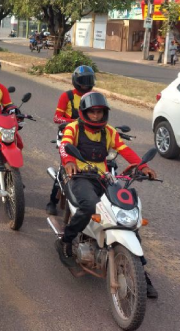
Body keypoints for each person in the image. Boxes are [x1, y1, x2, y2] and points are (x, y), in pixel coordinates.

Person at [55, 91, 159, 298]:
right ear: (84, 112)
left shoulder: (109, 131)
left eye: (99, 112)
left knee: (125, 215)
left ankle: (140, 271)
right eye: (92, 112)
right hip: (80, 176)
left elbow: (124, 150)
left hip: (103, 177)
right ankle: (65, 241)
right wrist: (69, 162)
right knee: (90, 205)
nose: (96, 115)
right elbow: (65, 147)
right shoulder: (73, 127)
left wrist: (142, 166)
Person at [46, 65, 96, 214]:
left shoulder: (94, 96)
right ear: (76, 81)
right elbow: (57, 118)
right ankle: (52, 202)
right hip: (67, 134)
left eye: (88, 81)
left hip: (87, 135)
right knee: (64, 168)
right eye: (83, 81)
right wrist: (73, 122)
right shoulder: (66, 96)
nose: (86, 85)